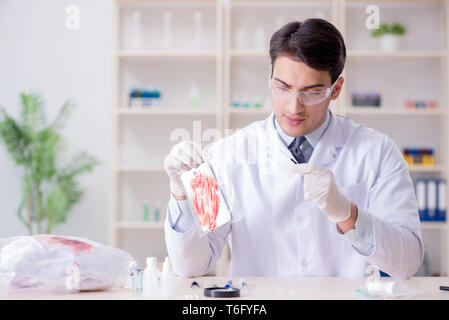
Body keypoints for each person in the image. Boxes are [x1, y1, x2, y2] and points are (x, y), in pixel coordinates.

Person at [163, 19, 424, 278]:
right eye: (283, 87)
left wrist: (348, 213)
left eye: (311, 92)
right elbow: (191, 267)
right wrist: (180, 194)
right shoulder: (225, 155)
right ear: (270, 78)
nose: (293, 107)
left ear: (336, 89)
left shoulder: (377, 152)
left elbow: (408, 262)